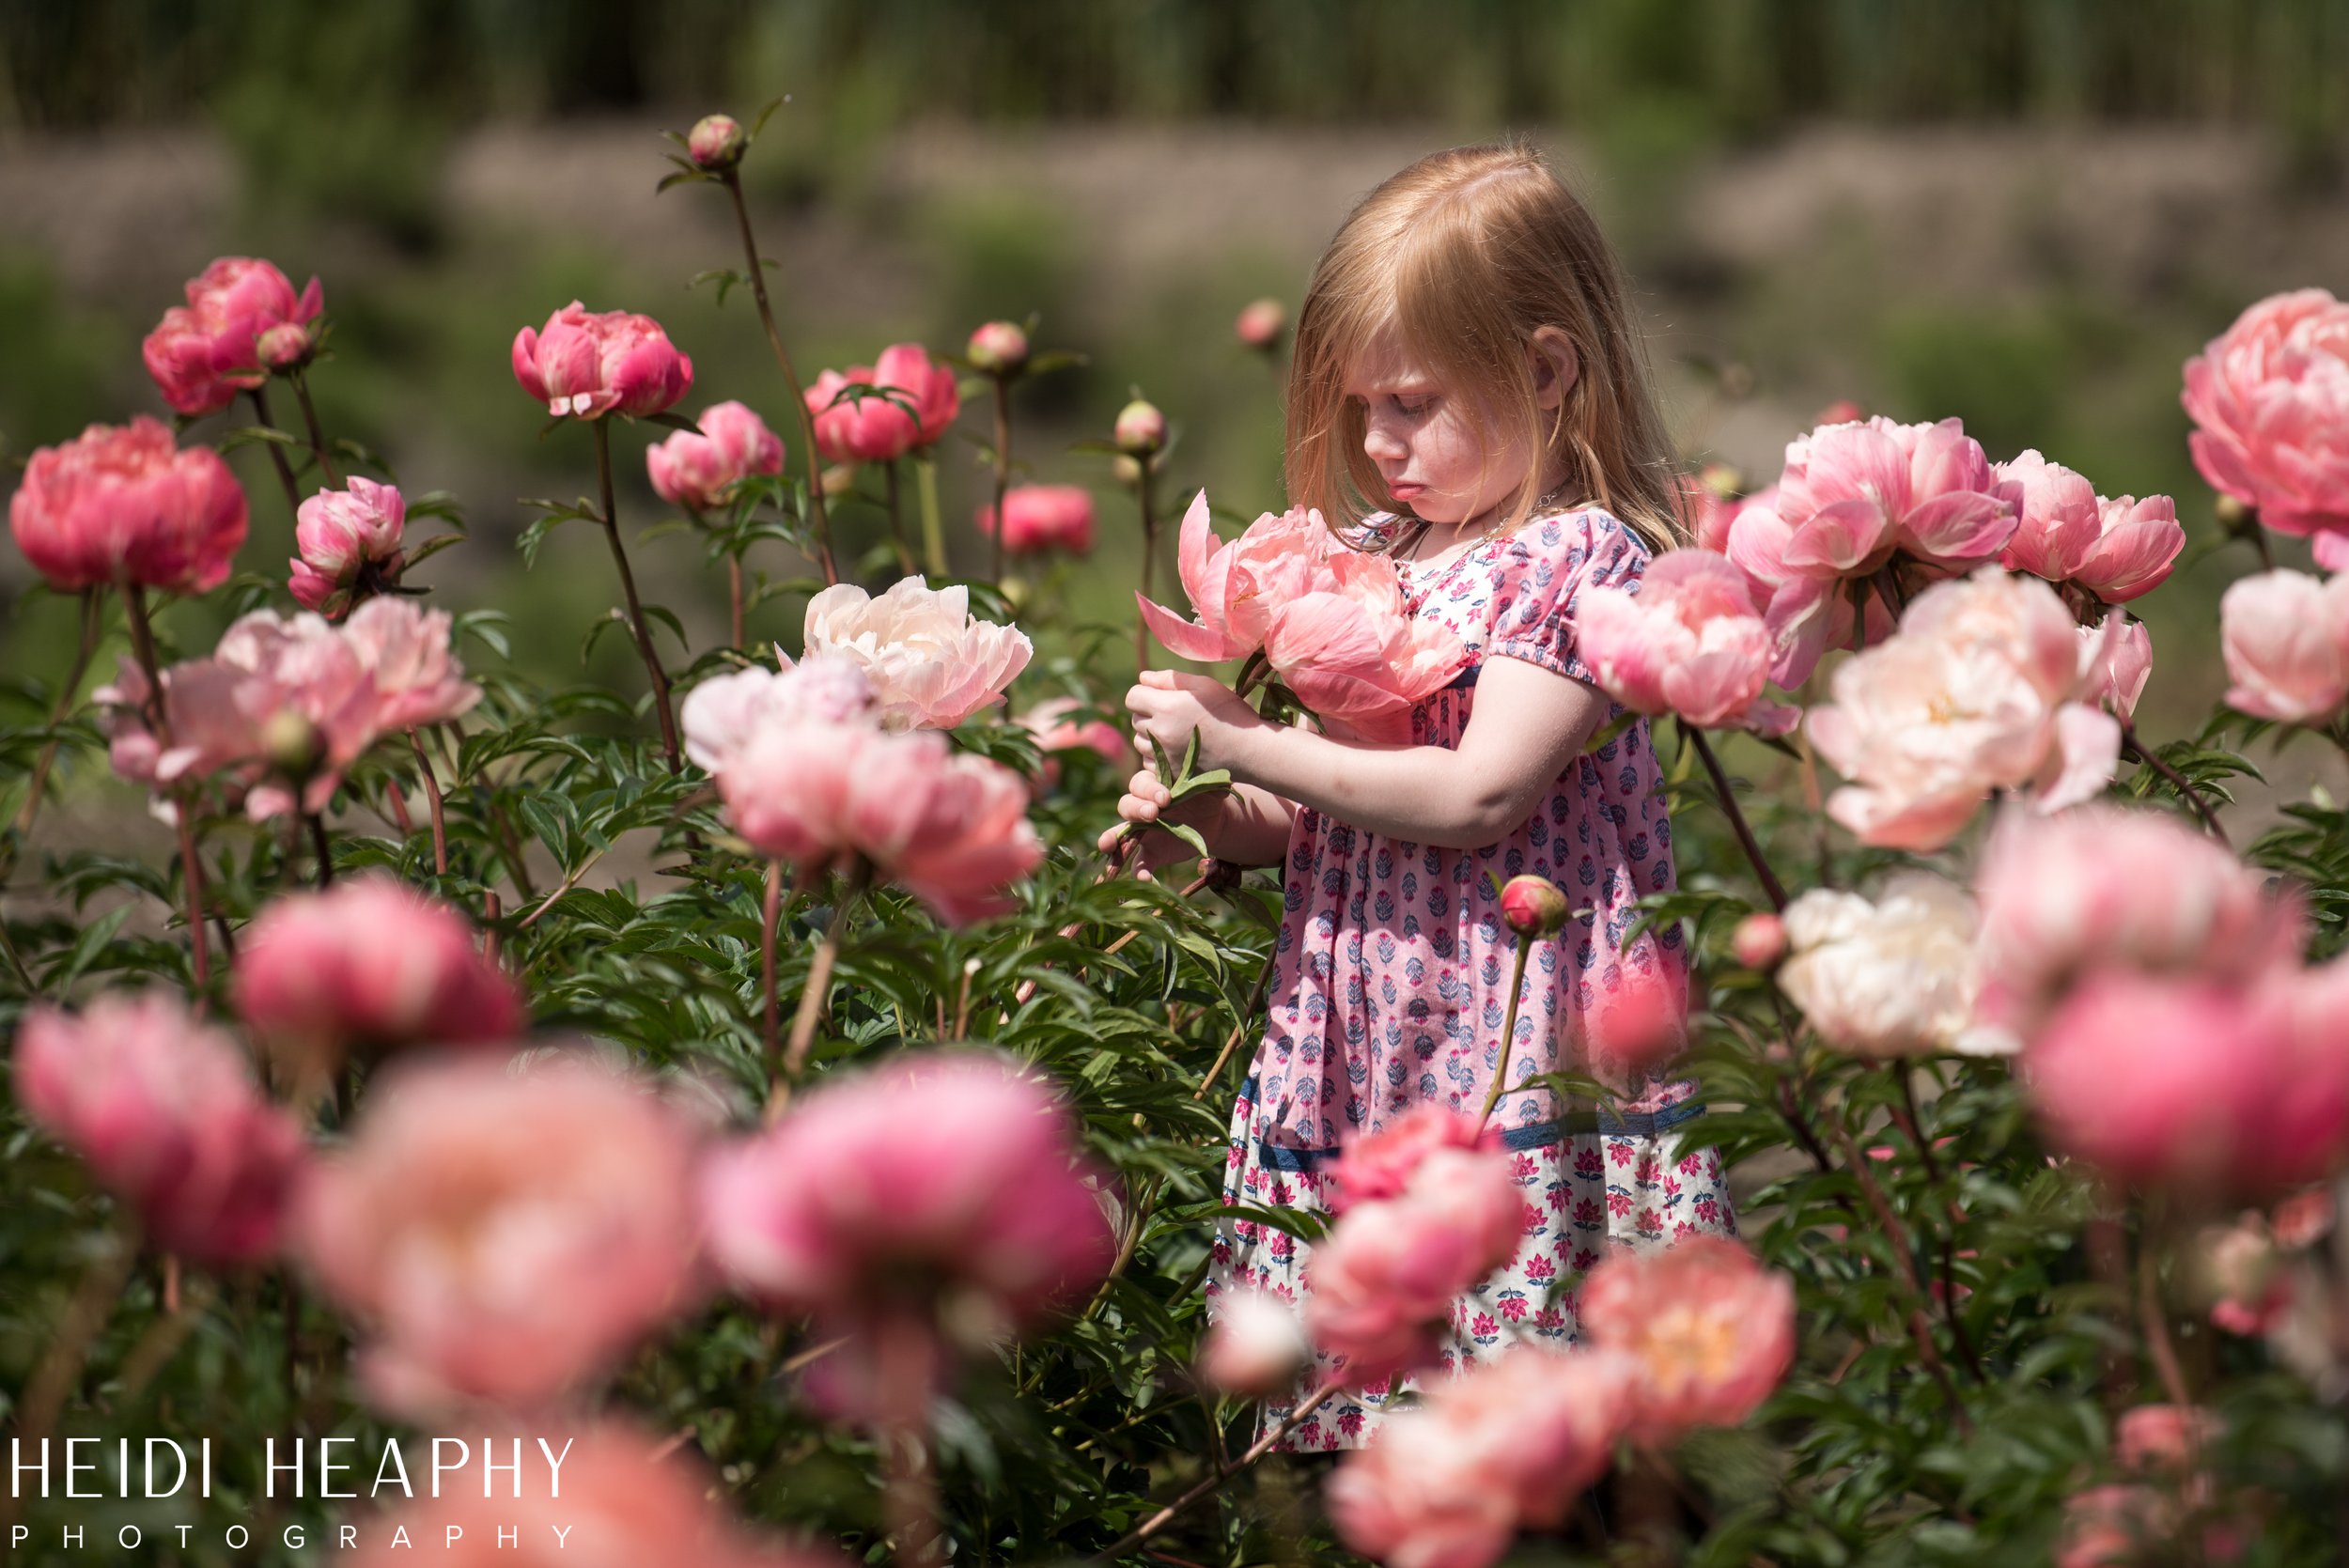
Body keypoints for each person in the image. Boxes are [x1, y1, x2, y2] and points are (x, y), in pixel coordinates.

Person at [1102, 141, 1736, 1451]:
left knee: (1538, 1439)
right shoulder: (1388, 556)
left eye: (1410, 402)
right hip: (1370, 1047)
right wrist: (1207, 815)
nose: (1376, 444)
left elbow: (1475, 794)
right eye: (1359, 408)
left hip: (1511, 1045)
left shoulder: (1575, 557)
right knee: (1369, 1441)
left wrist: (1241, 741)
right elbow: (1334, 811)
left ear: (1549, 373)